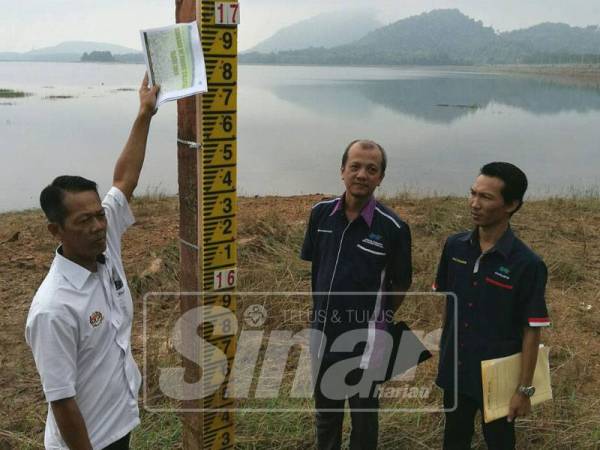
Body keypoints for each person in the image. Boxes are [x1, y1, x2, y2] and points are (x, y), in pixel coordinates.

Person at [25, 74, 159, 450]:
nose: (99, 226)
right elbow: (62, 401)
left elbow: (124, 178)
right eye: (84, 221)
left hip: (119, 425)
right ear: (56, 230)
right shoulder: (53, 308)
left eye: (99, 215)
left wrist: (145, 113)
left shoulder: (103, 242)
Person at [300, 139, 412, 450]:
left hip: (368, 338)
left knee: (363, 416)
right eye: (355, 167)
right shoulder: (320, 215)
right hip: (322, 332)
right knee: (326, 413)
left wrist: (381, 320)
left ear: (380, 177)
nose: (362, 174)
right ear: (342, 171)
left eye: (371, 169)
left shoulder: (394, 228)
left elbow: (401, 283)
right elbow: (316, 265)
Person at [434, 162, 551, 450]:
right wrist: (445, 351)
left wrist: (523, 390)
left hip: (499, 379)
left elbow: (531, 330)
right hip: (457, 370)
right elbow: (448, 303)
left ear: (511, 205)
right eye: (473, 193)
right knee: (454, 438)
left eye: (486, 197)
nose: (474, 204)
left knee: (500, 442)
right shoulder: (455, 247)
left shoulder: (527, 264)